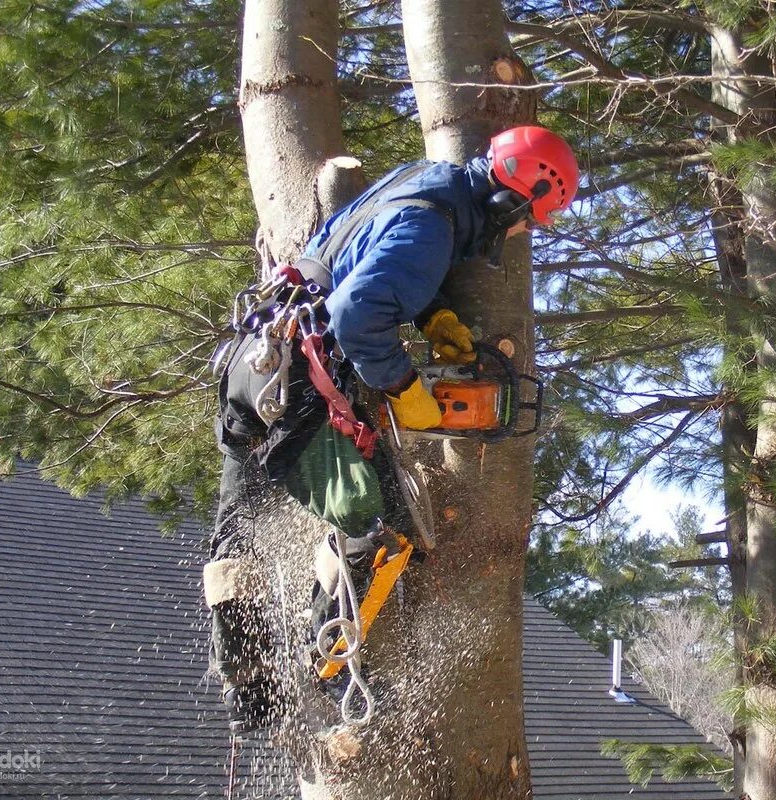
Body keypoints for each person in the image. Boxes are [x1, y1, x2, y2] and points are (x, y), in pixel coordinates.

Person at [204, 126, 579, 734]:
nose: (524, 232)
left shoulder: (424, 185)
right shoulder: (434, 228)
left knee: (237, 535)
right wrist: (404, 387)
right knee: (380, 528)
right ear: (513, 200)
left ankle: (246, 688)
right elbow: (356, 313)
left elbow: (376, 258)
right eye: (531, 218)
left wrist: (432, 313)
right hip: (297, 386)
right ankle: (314, 676)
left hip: (254, 362)